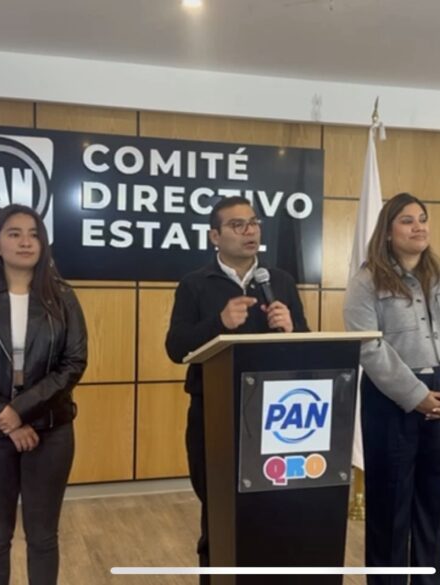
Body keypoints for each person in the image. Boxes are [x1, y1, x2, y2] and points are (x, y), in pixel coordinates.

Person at [165, 196, 310, 584]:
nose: (250, 231)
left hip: (275, 418)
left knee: (271, 516)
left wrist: (292, 328)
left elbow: (307, 348)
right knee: (218, 515)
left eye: (254, 222)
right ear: (215, 236)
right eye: (237, 225)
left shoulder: (279, 281)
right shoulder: (195, 284)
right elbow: (176, 348)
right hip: (215, 416)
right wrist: (219, 322)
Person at [343, 192, 440, 585]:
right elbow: (368, 347)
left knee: (435, 510)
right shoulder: (366, 282)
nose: (418, 226)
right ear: (387, 232)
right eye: (407, 220)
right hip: (393, 400)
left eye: (422, 218)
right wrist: (417, 397)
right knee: (390, 510)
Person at [0, 204, 87, 585]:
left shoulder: (63, 297)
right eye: (14, 234)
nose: (26, 242)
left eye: (34, 234)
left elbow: (73, 363)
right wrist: (5, 417)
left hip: (50, 432)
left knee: (43, 538)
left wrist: (20, 410)